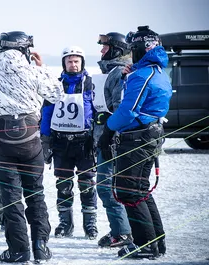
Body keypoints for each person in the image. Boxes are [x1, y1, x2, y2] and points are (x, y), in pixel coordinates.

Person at [0, 31, 63, 263]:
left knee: (11, 198)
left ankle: (18, 250)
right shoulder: (34, 71)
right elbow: (58, 95)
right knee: (35, 195)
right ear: (25, 50)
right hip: (30, 141)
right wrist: (44, 68)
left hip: (0, 143)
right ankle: (40, 247)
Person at [98, 25, 171, 259]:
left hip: (137, 138)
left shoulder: (144, 75)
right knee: (140, 190)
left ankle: (145, 244)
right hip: (148, 134)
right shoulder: (156, 71)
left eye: (132, 48)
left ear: (140, 48)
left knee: (129, 191)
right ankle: (156, 241)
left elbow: (128, 111)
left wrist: (107, 130)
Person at [40, 46, 98, 240]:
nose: (73, 65)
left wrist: (98, 138)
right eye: (69, 61)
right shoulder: (55, 85)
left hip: (84, 143)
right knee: (63, 185)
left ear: (82, 63)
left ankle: (90, 225)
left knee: (87, 184)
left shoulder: (91, 84)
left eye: (76, 61)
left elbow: (98, 112)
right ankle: (65, 223)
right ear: (64, 64)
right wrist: (45, 140)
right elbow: (46, 113)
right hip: (61, 143)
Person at [93, 32, 133, 248]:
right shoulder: (111, 72)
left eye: (105, 47)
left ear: (116, 49)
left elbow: (119, 108)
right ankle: (123, 230)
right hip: (106, 139)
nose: (101, 51)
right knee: (114, 187)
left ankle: (123, 232)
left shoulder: (118, 73)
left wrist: (108, 131)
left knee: (107, 187)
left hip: (113, 141)